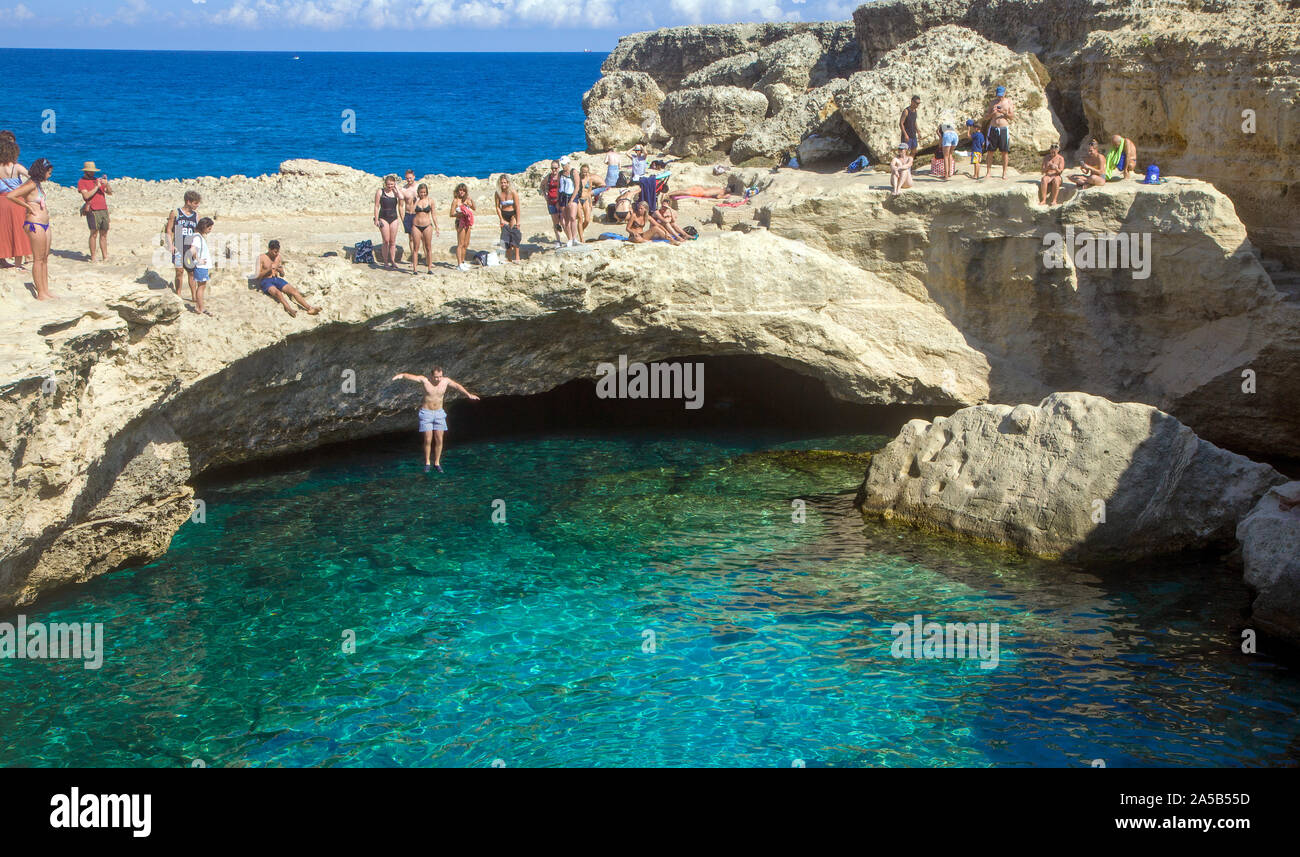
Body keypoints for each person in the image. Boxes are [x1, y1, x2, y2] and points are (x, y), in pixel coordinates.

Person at [390, 366, 481, 471]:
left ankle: (437, 463)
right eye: (436, 377)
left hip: (439, 414)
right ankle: (427, 462)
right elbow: (410, 376)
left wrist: (468, 394)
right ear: (431, 376)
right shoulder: (425, 381)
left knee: (439, 439)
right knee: (428, 439)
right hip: (426, 413)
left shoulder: (445, 381)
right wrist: (401, 375)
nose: (438, 379)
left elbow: (457, 386)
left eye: (440, 376)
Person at [6, 157, 53, 300]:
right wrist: (27, 207)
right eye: (49, 172)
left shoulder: (38, 184)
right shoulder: (31, 184)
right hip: (35, 223)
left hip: (44, 224)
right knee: (38, 259)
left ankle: (46, 290)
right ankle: (41, 293)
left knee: (44, 258)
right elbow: (11, 195)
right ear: (42, 171)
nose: (50, 175)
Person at [254, 240, 321, 316]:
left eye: (278, 252)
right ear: (269, 249)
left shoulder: (278, 257)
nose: (276, 254)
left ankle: (310, 308)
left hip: (276, 279)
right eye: (275, 252)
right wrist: (267, 270)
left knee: (294, 291)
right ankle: (289, 309)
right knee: (278, 293)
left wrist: (281, 271)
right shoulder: (261, 258)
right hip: (266, 281)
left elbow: (282, 274)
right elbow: (257, 276)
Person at [0, 131, 31, 270]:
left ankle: (3, 259)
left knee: (3, 231)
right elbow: (32, 176)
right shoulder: (16, 167)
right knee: (19, 232)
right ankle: (18, 265)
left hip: (1, 201)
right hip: (16, 200)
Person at [166, 190, 201, 296]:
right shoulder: (176, 213)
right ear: (188, 201)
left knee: (191, 272)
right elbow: (168, 230)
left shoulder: (196, 216)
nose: (197, 205)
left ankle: (194, 296)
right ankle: (178, 294)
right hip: (178, 247)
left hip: (190, 248)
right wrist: (170, 245)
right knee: (179, 272)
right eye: (195, 203)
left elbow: (198, 233)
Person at [76, 161, 112, 262]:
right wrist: (97, 187)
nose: (93, 173)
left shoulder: (97, 180)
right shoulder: (82, 182)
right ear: (86, 171)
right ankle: (93, 257)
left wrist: (106, 183)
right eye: (91, 171)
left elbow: (109, 192)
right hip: (93, 209)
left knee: (104, 233)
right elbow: (86, 196)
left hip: (103, 208)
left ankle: (105, 256)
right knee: (94, 233)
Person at [982, 85, 1015, 179]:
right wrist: (993, 113)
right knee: (990, 151)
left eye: (1001, 95)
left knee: (1004, 151)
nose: (1000, 97)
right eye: (998, 95)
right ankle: (988, 172)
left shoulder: (1008, 102)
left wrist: (1004, 112)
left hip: (1003, 128)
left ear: (1005, 93)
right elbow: (986, 117)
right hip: (993, 128)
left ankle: (1004, 173)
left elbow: (1012, 117)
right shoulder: (993, 102)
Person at [185, 217, 215, 315]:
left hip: (201, 266)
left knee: (201, 286)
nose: (210, 230)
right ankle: (200, 307)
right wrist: (199, 260)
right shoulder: (197, 237)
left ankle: (199, 306)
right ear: (204, 227)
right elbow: (193, 249)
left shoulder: (197, 236)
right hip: (200, 267)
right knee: (201, 287)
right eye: (209, 228)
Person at [408, 183, 440, 274]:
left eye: (424, 192)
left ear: (427, 192)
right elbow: (411, 211)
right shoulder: (416, 201)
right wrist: (416, 201)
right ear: (418, 192)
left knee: (428, 247)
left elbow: (433, 214)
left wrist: (437, 226)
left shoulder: (430, 201)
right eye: (421, 192)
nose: (423, 194)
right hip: (416, 226)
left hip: (427, 225)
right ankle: (415, 269)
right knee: (415, 248)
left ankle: (429, 268)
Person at [373, 174, 401, 269]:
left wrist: (396, 188)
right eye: (388, 184)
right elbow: (376, 206)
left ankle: (392, 261)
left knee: (392, 241)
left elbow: (401, 198)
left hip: (394, 218)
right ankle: (385, 261)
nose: (390, 186)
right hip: (383, 217)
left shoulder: (395, 192)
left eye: (392, 184)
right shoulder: (380, 192)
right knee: (386, 240)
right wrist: (376, 219)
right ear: (385, 184)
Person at [494, 174, 522, 262]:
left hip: (513, 214)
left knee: (515, 234)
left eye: (505, 182)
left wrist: (518, 221)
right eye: (501, 183)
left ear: (508, 183)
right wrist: (501, 219)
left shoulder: (513, 192)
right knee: (504, 237)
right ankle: (507, 257)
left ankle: (517, 257)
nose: (503, 184)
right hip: (504, 215)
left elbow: (517, 207)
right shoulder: (498, 193)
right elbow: (497, 207)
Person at [449, 183, 475, 270]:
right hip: (460, 222)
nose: (462, 192)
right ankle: (459, 264)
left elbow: (474, 208)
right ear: (457, 191)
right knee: (460, 244)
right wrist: (460, 214)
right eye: (460, 190)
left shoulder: (466, 200)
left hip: (467, 222)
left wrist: (471, 200)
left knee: (466, 244)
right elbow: (451, 214)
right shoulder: (455, 201)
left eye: (463, 190)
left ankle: (463, 261)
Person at [541, 160, 564, 247]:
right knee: (555, 223)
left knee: (563, 221)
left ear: (558, 168)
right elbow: (542, 185)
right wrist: (545, 196)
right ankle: (558, 240)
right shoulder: (549, 177)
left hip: (560, 202)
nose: (554, 170)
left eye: (555, 168)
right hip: (551, 201)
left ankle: (570, 239)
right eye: (552, 168)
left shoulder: (561, 176)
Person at [398, 169, 419, 262]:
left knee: (420, 237)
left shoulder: (419, 187)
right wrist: (403, 218)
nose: (409, 180)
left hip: (418, 214)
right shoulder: (403, 190)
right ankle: (413, 259)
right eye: (407, 178)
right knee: (411, 238)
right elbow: (400, 206)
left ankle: (426, 259)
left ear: (414, 177)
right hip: (408, 214)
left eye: (410, 178)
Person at [557, 156, 578, 246]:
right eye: (562, 164)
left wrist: (572, 199)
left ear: (568, 163)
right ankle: (569, 239)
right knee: (565, 219)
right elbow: (559, 186)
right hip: (563, 196)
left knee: (572, 217)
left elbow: (577, 186)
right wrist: (558, 199)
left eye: (564, 164)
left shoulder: (574, 172)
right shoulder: (560, 174)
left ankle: (574, 238)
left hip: (571, 196)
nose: (563, 166)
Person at [576, 163, 595, 243]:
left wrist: (591, 204)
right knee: (580, 219)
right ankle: (581, 238)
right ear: (580, 171)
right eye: (583, 172)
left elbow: (589, 191)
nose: (585, 173)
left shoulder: (589, 179)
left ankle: (581, 230)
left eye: (586, 172)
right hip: (578, 199)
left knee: (587, 220)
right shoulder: (577, 178)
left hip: (586, 199)